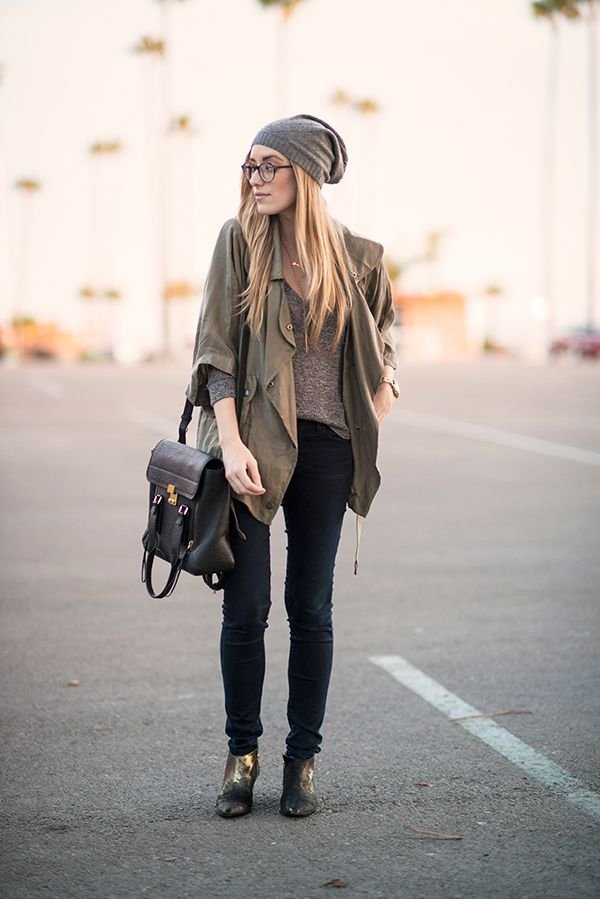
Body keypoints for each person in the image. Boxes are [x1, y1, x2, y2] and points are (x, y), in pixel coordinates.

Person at [186, 114, 399, 819]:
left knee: (311, 609)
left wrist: (386, 384)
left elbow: (384, 334)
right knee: (245, 610)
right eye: (248, 165)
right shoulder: (237, 242)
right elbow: (214, 353)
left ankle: (301, 760)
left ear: (305, 174)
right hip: (250, 448)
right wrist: (233, 442)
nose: (254, 178)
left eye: (268, 165)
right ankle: (240, 754)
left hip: (329, 449)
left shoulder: (358, 256)